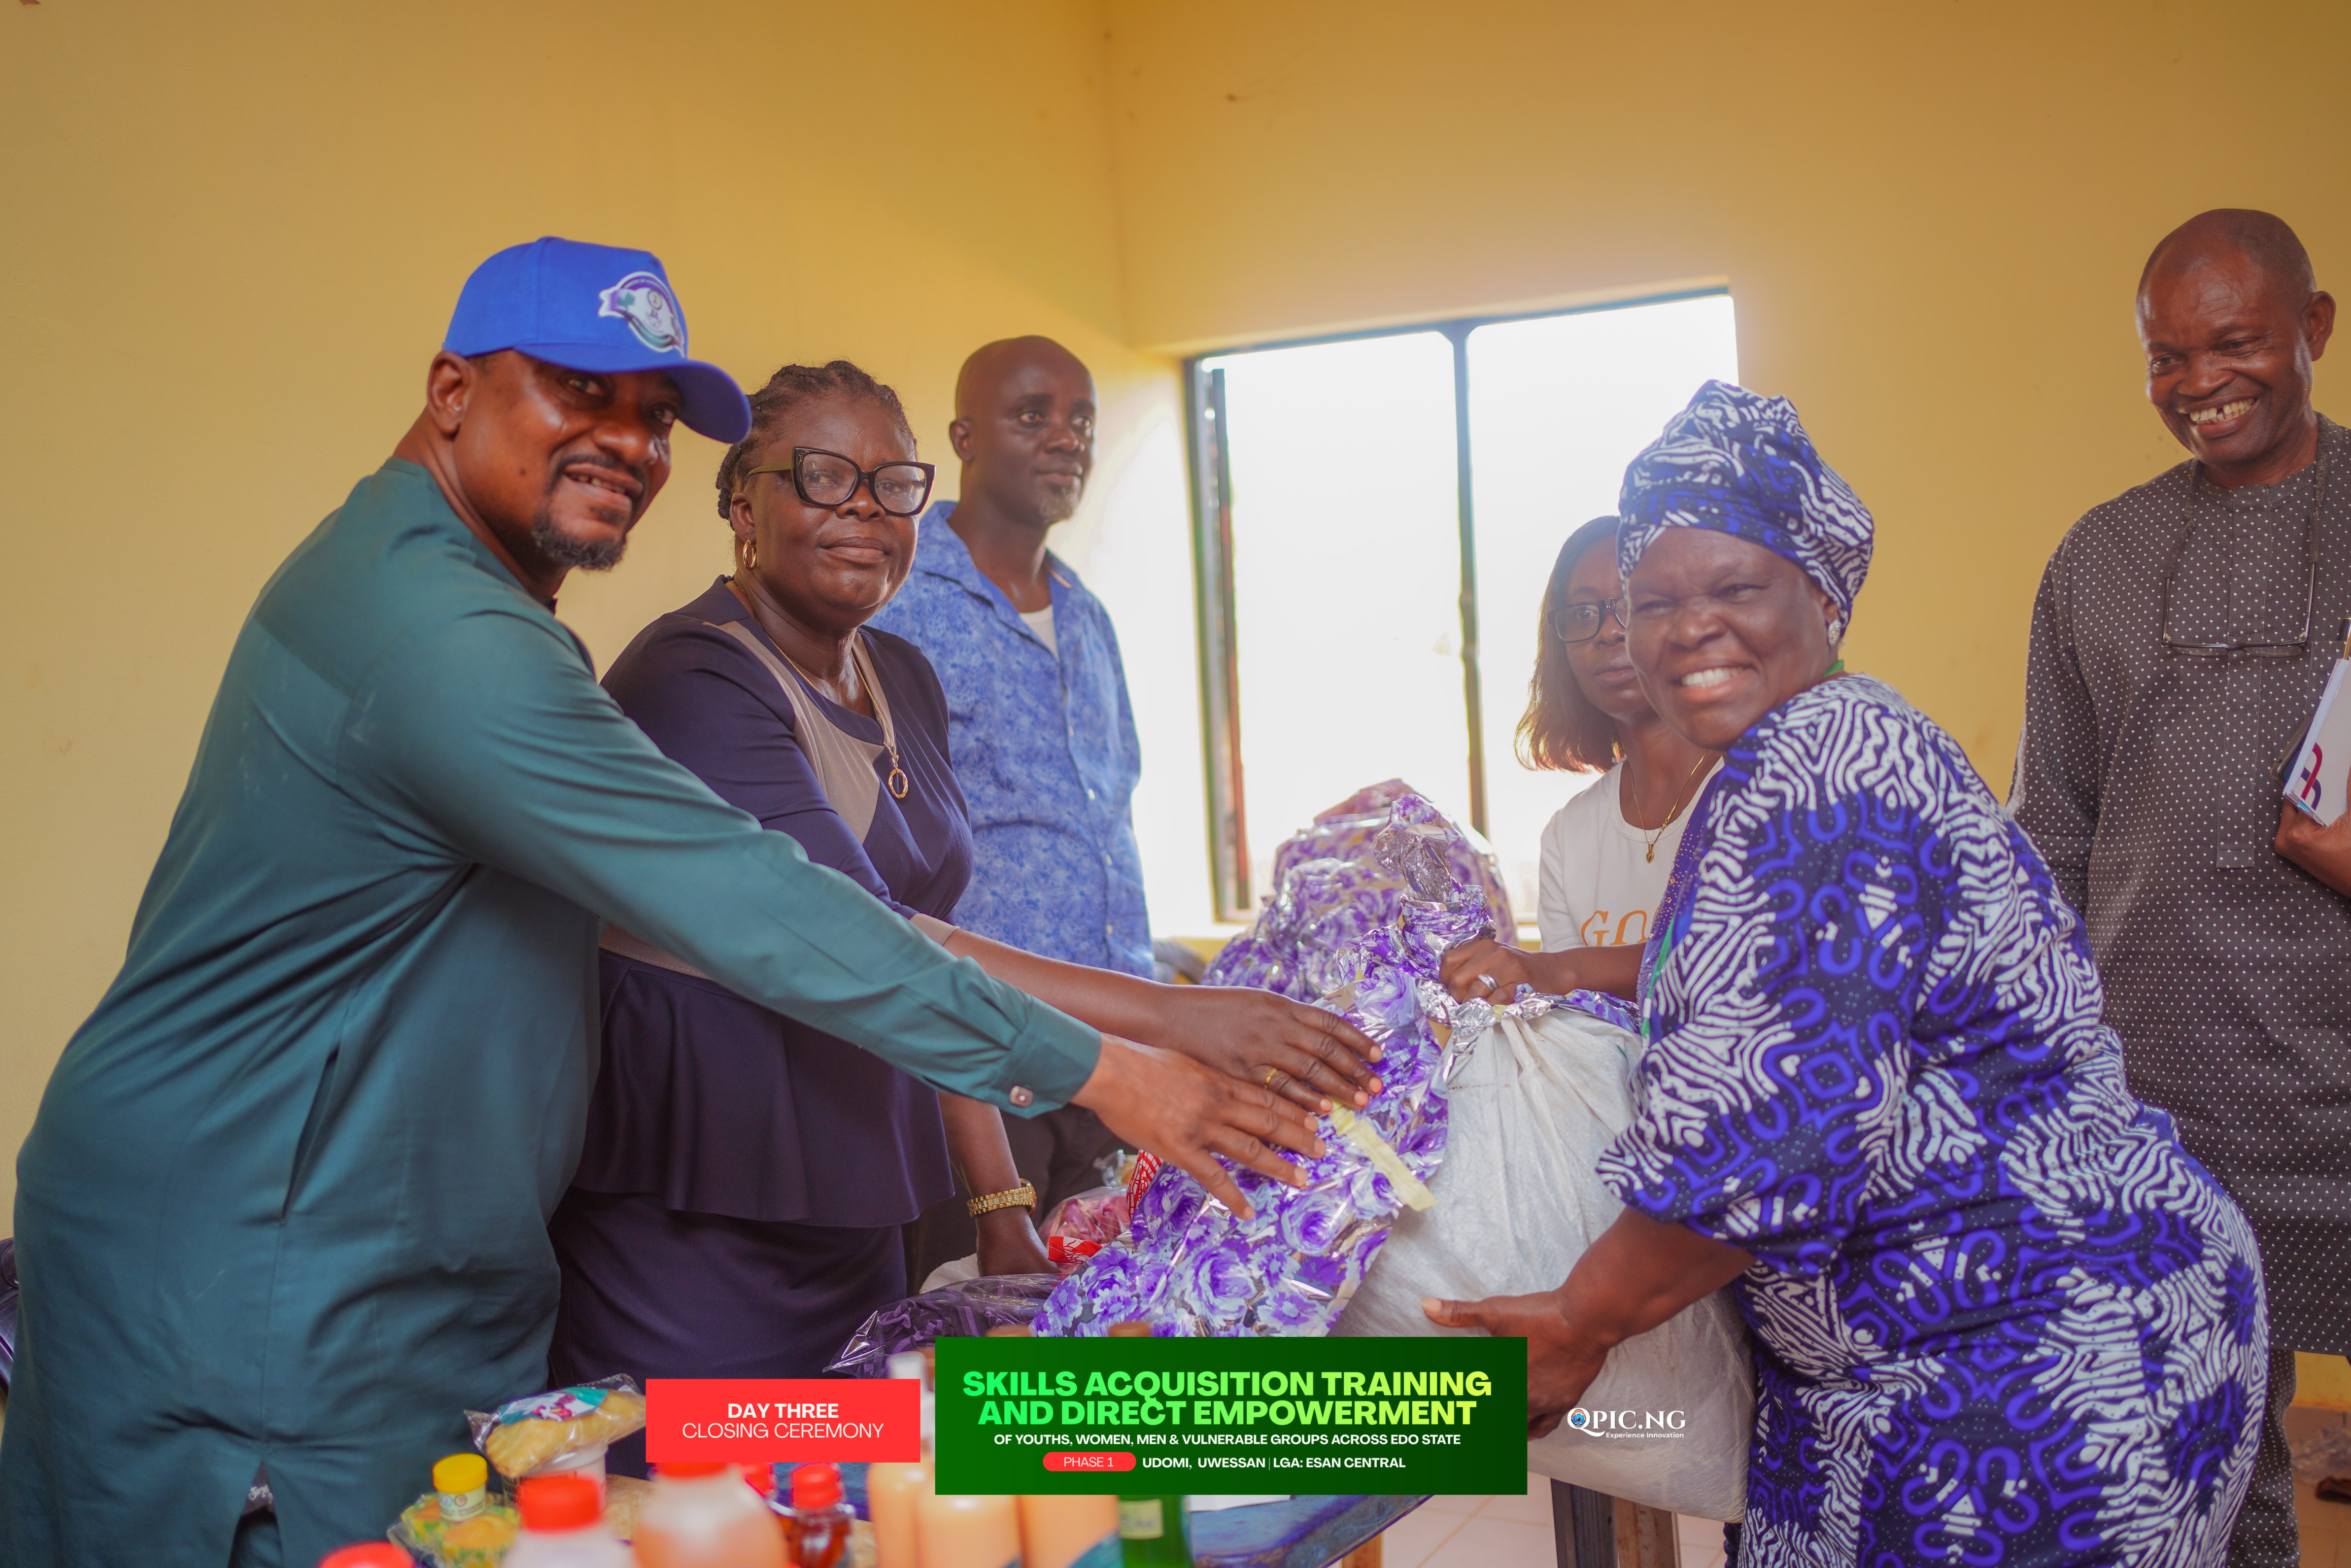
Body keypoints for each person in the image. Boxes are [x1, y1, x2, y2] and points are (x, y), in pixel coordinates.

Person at [0, 239, 1328, 1568]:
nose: (627, 444)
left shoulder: (478, 601)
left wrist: (1013, 1176)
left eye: (652, 416)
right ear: (452, 391)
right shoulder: (464, 639)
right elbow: (775, 906)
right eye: (578, 391)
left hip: (468, 1249)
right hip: (284, 1267)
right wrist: (1121, 1062)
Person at [1430, 381, 2268, 1563]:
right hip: (1950, 1345)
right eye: (1652, 602)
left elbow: (1766, 1126)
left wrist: (1579, 1315)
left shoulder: (1819, 770)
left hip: (2029, 1365)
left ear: (1822, 595)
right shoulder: (1813, 744)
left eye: (1734, 589)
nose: (1687, 629)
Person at [549, 360, 1380, 1470]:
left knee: (876, 1490)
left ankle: (1430, 1424)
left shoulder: (901, 673)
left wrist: (1000, 1202)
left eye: (893, 486)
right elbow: (868, 939)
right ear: (745, 506)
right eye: (825, 477)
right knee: (708, 1488)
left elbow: (926, 972)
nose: (865, 510)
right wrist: (1164, 1027)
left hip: (857, 1214)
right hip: (702, 1228)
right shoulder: (692, 680)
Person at [2010, 208, 2351, 1567]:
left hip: (2340, 1078)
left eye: (2235, 343)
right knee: (2210, 1445)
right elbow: (2051, 834)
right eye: (2166, 356)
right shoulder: (2094, 558)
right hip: (2162, 1090)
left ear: (2314, 328)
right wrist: (2043, 1070)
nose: (2199, 382)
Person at [872, 337, 1149, 1271]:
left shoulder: (1086, 614)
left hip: (1109, 1069)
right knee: (976, 1340)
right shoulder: (899, 600)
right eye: (1032, 415)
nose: (1066, 437)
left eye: (1081, 419)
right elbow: (880, 863)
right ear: (964, 438)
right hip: (979, 1069)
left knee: (1098, 1340)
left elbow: (1111, 825)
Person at [1437, 514, 1719, 1005]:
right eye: (1583, 613)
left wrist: (1558, 968)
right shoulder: (1567, 839)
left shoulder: (1763, 785)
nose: (1607, 631)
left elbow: (1741, 959)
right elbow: (1580, 1025)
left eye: (1632, 604)